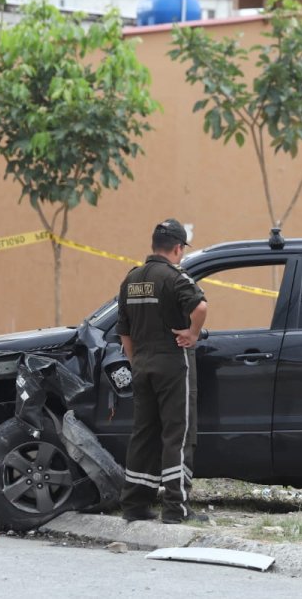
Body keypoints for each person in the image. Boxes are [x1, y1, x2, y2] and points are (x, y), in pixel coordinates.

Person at [117, 218, 209, 524]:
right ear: (178, 248)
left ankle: (134, 505)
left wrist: (135, 361)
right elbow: (200, 307)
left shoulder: (132, 279)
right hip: (172, 365)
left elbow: (124, 332)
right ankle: (175, 508)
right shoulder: (173, 276)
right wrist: (193, 334)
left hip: (142, 365)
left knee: (143, 434)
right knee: (177, 435)